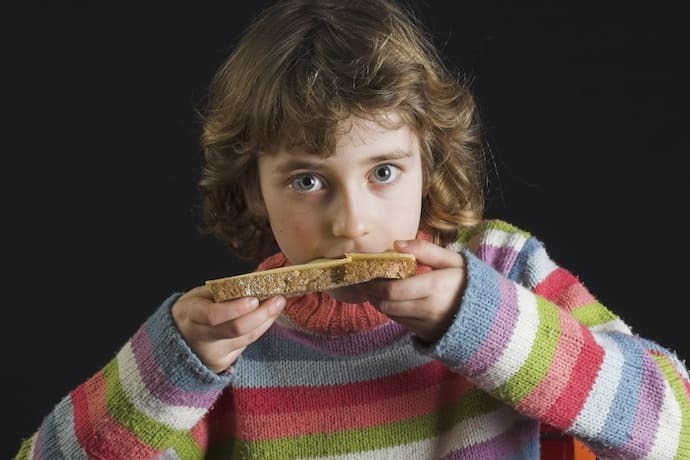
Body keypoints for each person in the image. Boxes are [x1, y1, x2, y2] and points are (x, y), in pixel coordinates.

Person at [15, 0, 690, 459]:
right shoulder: (219, 341)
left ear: (428, 161)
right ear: (254, 187)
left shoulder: (502, 270)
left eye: (385, 172)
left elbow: (672, 426)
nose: (352, 223)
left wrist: (482, 320)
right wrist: (167, 368)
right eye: (307, 181)